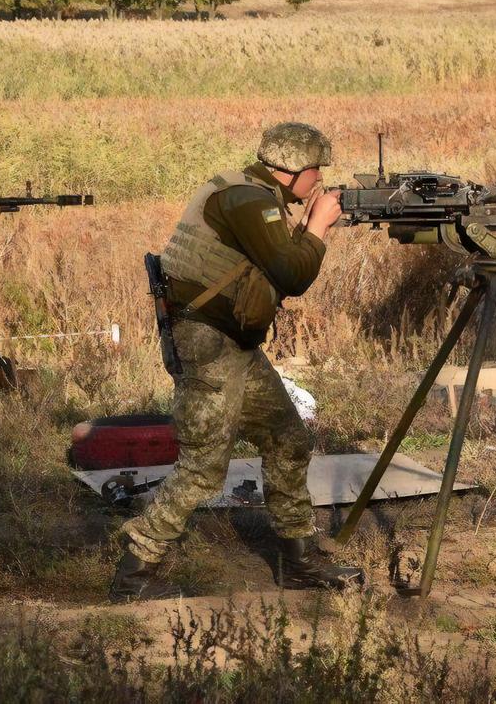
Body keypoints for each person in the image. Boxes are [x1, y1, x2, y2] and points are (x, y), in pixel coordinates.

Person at [112, 122, 364, 601]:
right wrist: (317, 227)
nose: (320, 182)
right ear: (294, 171)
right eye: (317, 171)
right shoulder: (250, 201)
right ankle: (133, 573)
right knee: (204, 468)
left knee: (287, 437)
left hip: (232, 344)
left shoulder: (251, 194)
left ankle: (299, 561)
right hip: (210, 347)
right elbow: (291, 273)